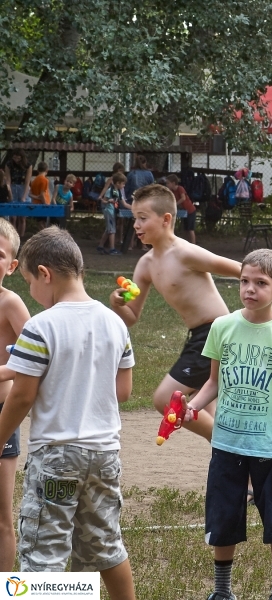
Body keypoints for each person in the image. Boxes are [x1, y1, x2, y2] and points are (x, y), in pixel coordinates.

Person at [0, 227, 135, 599]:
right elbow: (122, 391)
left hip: (56, 458)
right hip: (105, 456)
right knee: (106, 546)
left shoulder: (41, 326)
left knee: (44, 554)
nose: (30, 291)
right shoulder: (115, 323)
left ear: (45, 274)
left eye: (29, 281)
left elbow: (22, 397)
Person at [182, 249, 272, 600]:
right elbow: (213, 382)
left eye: (261, 283)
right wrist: (194, 406)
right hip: (226, 443)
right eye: (244, 281)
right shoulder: (222, 326)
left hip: (269, 446)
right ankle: (222, 591)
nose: (250, 289)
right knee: (223, 516)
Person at [109, 183, 241, 442]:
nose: (136, 225)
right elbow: (132, 317)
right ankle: (238, 467)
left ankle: (228, 444)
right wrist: (117, 304)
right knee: (214, 413)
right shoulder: (145, 265)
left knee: (164, 399)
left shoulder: (185, 253)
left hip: (216, 333)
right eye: (135, 218)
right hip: (198, 336)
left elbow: (240, 269)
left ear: (166, 219)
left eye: (143, 218)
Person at [0, 219, 31, 570]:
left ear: (11, 266)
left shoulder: (11, 304)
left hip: (2, 414)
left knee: (1, 517)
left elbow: (36, 358)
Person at [3, 150, 32, 237]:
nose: (16, 159)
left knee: (22, 217)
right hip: (12, 186)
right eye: (14, 157)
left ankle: (21, 237)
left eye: (17, 157)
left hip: (23, 187)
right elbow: (8, 180)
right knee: (12, 216)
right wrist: (10, 193)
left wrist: (24, 196)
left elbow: (27, 181)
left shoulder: (28, 165)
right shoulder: (9, 164)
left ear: (21, 157)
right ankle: (13, 237)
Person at [98, 172, 126, 255]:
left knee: (108, 230)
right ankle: (112, 249)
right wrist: (108, 201)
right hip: (109, 211)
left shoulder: (119, 192)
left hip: (113, 212)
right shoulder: (110, 191)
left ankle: (100, 246)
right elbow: (103, 201)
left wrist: (134, 208)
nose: (124, 186)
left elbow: (124, 204)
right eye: (123, 184)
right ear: (118, 183)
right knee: (112, 230)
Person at [166, 174, 197, 244]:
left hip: (190, 210)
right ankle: (187, 243)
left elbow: (183, 198)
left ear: (173, 183)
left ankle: (193, 244)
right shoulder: (172, 191)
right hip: (184, 211)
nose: (167, 185)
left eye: (168, 183)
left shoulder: (180, 188)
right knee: (186, 229)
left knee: (190, 229)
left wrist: (175, 204)